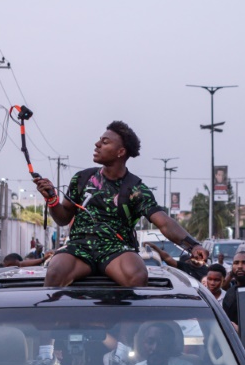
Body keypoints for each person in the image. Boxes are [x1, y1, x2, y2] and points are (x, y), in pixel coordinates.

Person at [33, 121, 207, 287]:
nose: (97, 144)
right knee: (55, 271)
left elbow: (165, 223)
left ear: (120, 152)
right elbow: (63, 218)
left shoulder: (136, 189)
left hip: (117, 249)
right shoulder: (82, 178)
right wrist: (52, 200)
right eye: (99, 140)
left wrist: (193, 245)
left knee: (137, 275)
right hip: (79, 247)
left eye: (104, 142)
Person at [144, 241, 208, 282]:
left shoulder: (206, 270)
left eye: (200, 255)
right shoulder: (184, 266)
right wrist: (154, 247)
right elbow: (167, 258)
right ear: (191, 256)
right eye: (195, 255)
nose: (197, 257)